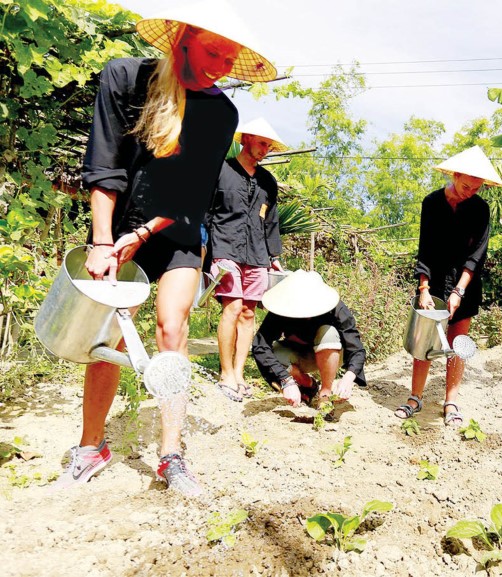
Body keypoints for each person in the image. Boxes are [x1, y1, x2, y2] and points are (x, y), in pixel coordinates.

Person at [52, 1, 276, 497]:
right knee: (108, 336)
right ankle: (92, 446)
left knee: (171, 328)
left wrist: (143, 234)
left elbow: (193, 192)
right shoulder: (125, 78)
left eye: (229, 57)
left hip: (175, 228)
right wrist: (104, 241)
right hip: (116, 227)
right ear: (184, 38)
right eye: (214, 52)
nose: (221, 65)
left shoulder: (221, 112)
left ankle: (171, 455)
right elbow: (104, 164)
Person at [394, 146, 502, 426]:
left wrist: (459, 291)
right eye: (467, 185)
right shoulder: (431, 203)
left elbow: (477, 255)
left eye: (477, 188)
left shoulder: (481, 209)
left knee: (457, 342)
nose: (470, 192)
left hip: (465, 283)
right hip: (435, 278)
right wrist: (423, 289)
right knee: (426, 341)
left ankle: (450, 402)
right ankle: (415, 397)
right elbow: (425, 248)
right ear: (455, 175)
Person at [207, 118, 287, 401]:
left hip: (257, 254)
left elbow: (271, 221)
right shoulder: (221, 170)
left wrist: (273, 256)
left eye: (269, 145)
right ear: (247, 139)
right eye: (262, 143)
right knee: (232, 307)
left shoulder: (268, 181)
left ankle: (239, 374)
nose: (266, 149)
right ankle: (225, 373)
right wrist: (204, 250)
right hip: (225, 248)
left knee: (249, 312)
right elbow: (207, 212)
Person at [252, 270, 367, 407]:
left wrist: (348, 378)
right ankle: (307, 385)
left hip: (330, 352)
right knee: (273, 354)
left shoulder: (336, 309)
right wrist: (286, 380)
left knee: (328, 332)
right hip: (298, 354)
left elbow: (357, 349)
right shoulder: (282, 309)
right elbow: (260, 345)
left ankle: (325, 392)